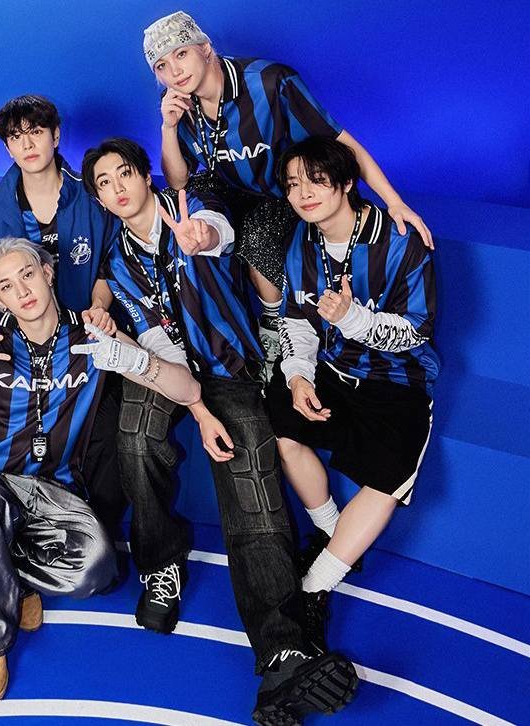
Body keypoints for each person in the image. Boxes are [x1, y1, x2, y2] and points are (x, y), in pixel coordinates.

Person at [84, 136, 358, 725]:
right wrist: (198, 411)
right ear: (101, 200)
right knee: (136, 439)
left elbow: (219, 232)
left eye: (125, 173)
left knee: (252, 479)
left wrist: (201, 236)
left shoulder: (193, 206)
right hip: (167, 368)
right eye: (104, 183)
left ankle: (282, 653)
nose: (117, 188)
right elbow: (159, 346)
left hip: (231, 368)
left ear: (146, 175)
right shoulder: (118, 263)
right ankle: (161, 564)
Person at [0, 237, 202, 703]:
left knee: (97, 568)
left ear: (48, 274)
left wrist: (129, 358)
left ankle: (7, 575)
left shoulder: (92, 335)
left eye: (27, 275)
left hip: (55, 494)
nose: (22, 291)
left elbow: (186, 389)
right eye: (5, 286)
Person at [144, 10, 432, 380]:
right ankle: (208, 342)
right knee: (179, 210)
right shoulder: (179, 104)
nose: (175, 71)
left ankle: (274, 328)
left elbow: (341, 141)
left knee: (257, 234)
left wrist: (393, 200)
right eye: (162, 66)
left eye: (181, 54)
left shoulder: (270, 82)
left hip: (283, 193)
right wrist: (168, 127)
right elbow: (179, 180)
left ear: (206, 48)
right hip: (229, 189)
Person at [0, 94, 125, 575]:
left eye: (36, 132)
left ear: (56, 135)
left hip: (82, 343)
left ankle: (79, 529)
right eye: (16, 137)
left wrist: (98, 311)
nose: (27, 144)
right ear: (7, 147)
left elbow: (109, 268)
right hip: (19, 344)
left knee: (111, 429)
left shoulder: (92, 197)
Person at [272, 136, 438, 655]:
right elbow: (296, 320)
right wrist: (298, 376)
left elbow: (418, 331)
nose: (303, 194)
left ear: (346, 182)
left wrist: (353, 319)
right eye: (293, 184)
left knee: (389, 478)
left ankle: (315, 588)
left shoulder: (401, 241)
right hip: (330, 371)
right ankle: (330, 531)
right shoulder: (302, 240)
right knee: (280, 426)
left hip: (397, 379)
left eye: (316, 180)